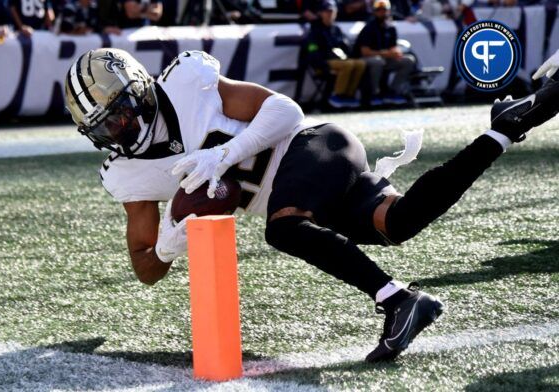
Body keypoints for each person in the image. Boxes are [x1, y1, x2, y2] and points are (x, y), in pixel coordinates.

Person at [64, 48, 559, 362]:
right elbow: (146, 267)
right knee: (399, 221)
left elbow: (285, 111)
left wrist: (226, 153)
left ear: (142, 91)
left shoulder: (187, 82)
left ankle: (399, 301)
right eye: (106, 128)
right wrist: (173, 234)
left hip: (314, 148)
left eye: (122, 115)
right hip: (306, 192)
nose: (121, 131)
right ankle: (506, 128)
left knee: (282, 230)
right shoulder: (126, 172)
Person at [305, 0, 366, 108]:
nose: (329, 14)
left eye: (332, 11)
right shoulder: (315, 30)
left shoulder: (336, 29)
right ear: (321, 13)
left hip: (340, 60)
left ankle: (349, 95)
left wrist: (346, 46)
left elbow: (346, 48)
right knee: (348, 65)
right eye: (326, 11)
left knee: (360, 63)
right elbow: (312, 50)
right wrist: (323, 66)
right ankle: (337, 95)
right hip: (324, 63)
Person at [354, 0, 415, 106]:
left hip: (384, 58)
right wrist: (386, 54)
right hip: (365, 59)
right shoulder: (369, 27)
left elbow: (393, 48)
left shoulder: (391, 28)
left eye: (385, 10)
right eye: (379, 10)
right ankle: (374, 93)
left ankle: (393, 91)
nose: (382, 13)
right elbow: (365, 51)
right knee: (378, 62)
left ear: (389, 11)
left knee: (408, 60)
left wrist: (396, 53)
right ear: (374, 11)